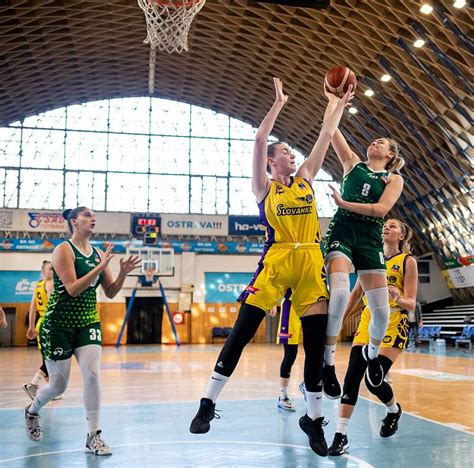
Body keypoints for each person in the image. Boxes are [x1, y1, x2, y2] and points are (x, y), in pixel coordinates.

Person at [189, 78, 353, 457]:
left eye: (294, 155)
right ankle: (208, 403)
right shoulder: (264, 187)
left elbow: (327, 133)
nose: (293, 158)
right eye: (287, 155)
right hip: (277, 261)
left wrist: (337, 101)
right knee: (242, 332)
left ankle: (314, 419)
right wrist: (278, 103)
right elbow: (259, 140)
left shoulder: (306, 180)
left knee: (312, 349)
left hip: (311, 261)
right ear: (272, 161)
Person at [24, 207, 140, 456]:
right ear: (74, 221)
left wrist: (122, 273)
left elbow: (109, 292)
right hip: (58, 325)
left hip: (88, 322)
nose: (92, 218)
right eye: (87, 215)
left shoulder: (98, 253)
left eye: (93, 215)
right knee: (58, 387)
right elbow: (73, 288)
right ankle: (32, 411)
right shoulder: (63, 250)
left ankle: (93, 435)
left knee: (92, 374)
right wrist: (100, 267)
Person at [321, 100, 405, 398]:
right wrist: (335, 102)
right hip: (342, 230)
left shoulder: (393, 178)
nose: (375, 142)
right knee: (341, 293)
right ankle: (327, 362)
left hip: (369, 238)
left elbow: (382, 210)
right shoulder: (352, 163)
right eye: (374, 139)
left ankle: (372, 356)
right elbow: (330, 130)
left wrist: (344, 203)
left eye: (381, 142)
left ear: (390, 155)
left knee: (381, 313)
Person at [327, 219, 418, 455]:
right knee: (352, 376)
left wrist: (398, 298)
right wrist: (338, 320)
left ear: (402, 236)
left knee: (373, 381)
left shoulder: (407, 262)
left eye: (394, 226)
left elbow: (411, 302)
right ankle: (341, 434)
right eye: (385, 225)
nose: (387, 227)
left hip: (394, 321)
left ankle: (393, 410)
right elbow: (356, 294)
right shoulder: (370, 259)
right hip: (368, 320)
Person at [23, 261, 54, 400]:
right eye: (50, 269)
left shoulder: (37, 286)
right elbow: (54, 306)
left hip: (40, 323)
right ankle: (33, 384)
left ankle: (51, 390)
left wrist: (31, 327)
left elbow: (32, 309)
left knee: (47, 357)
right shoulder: (51, 284)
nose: (53, 271)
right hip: (50, 322)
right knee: (51, 358)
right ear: (43, 271)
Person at [270, 295, 301, 412]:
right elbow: (275, 281)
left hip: (312, 304)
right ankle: (283, 396)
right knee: (290, 355)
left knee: (315, 350)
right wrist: (272, 301)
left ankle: (307, 385)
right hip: (291, 306)